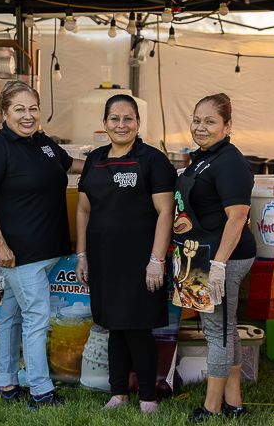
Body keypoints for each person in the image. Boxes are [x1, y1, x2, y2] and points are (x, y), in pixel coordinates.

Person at [0, 81, 84, 408]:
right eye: (19, 109)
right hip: (20, 253)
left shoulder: (43, 143)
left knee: (12, 315)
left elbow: (70, 165)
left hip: (48, 248)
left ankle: (5, 382)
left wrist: (109, 164)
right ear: (4, 113)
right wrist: (0, 245)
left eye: (32, 108)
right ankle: (40, 391)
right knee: (37, 318)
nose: (27, 115)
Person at [75, 94, 176, 414]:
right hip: (103, 258)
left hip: (141, 260)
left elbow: (165, 212)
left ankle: (147, 397)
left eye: (128, 118)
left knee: (138, 326)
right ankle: (117, 392)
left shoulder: (153, 160)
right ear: (104, 124)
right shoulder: (95, 159)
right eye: (115, 119)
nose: (121, 124)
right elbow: (83, 209)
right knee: (113, 325)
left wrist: (156, 260)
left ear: (138, 123)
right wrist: (82, 255)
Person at [171, 94, 255, 422]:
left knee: (216, 329)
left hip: (223, 257)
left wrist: (219, 265)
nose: (201, 127)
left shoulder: (230, 161)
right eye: (197, 120)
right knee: (225, 326)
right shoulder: (204, 157)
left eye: (210, 121)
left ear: (227, 126)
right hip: (202, 254)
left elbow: (237, 217)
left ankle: (212, 407)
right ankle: (234, 402)